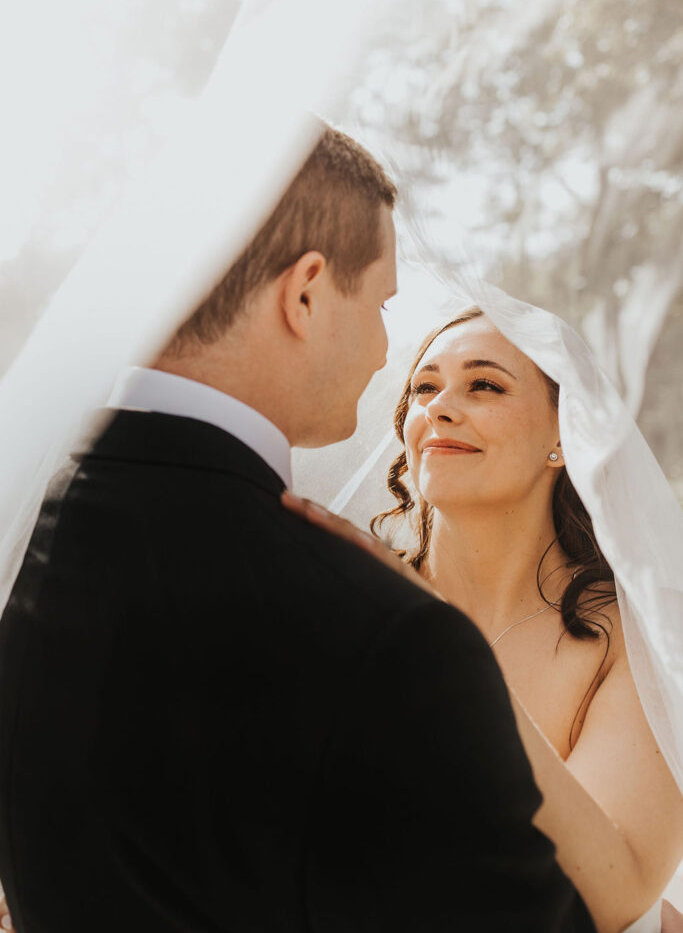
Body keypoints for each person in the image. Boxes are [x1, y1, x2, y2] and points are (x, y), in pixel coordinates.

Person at [0, 125, 596, 932]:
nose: (389, 349)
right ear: (306, 291)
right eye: (383, 305)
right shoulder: (389, 637)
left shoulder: (36, 522)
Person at [283, 305, 683, 933]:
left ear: (564, 435)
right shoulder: (341, 602)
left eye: (484, 384)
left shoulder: (631, 639)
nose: (438, 407)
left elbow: (612, 897)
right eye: (423, 387)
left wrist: (439, 641)